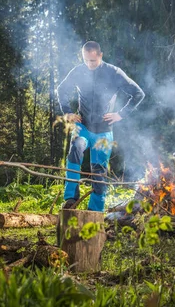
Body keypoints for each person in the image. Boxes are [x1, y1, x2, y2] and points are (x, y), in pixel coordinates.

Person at [57, 41, 145, 212]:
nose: (89, 65)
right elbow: (61, 90)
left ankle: (95, 211)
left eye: (92, 61)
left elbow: (138, 93)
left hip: (104, 131)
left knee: (98, 170)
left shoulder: (113, 72)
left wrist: (121, 114)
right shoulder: (78, 71)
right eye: (86, 60)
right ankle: (70, 200)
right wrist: (68, 112)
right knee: (75, 149)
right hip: (83, 126)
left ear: (100, 55)